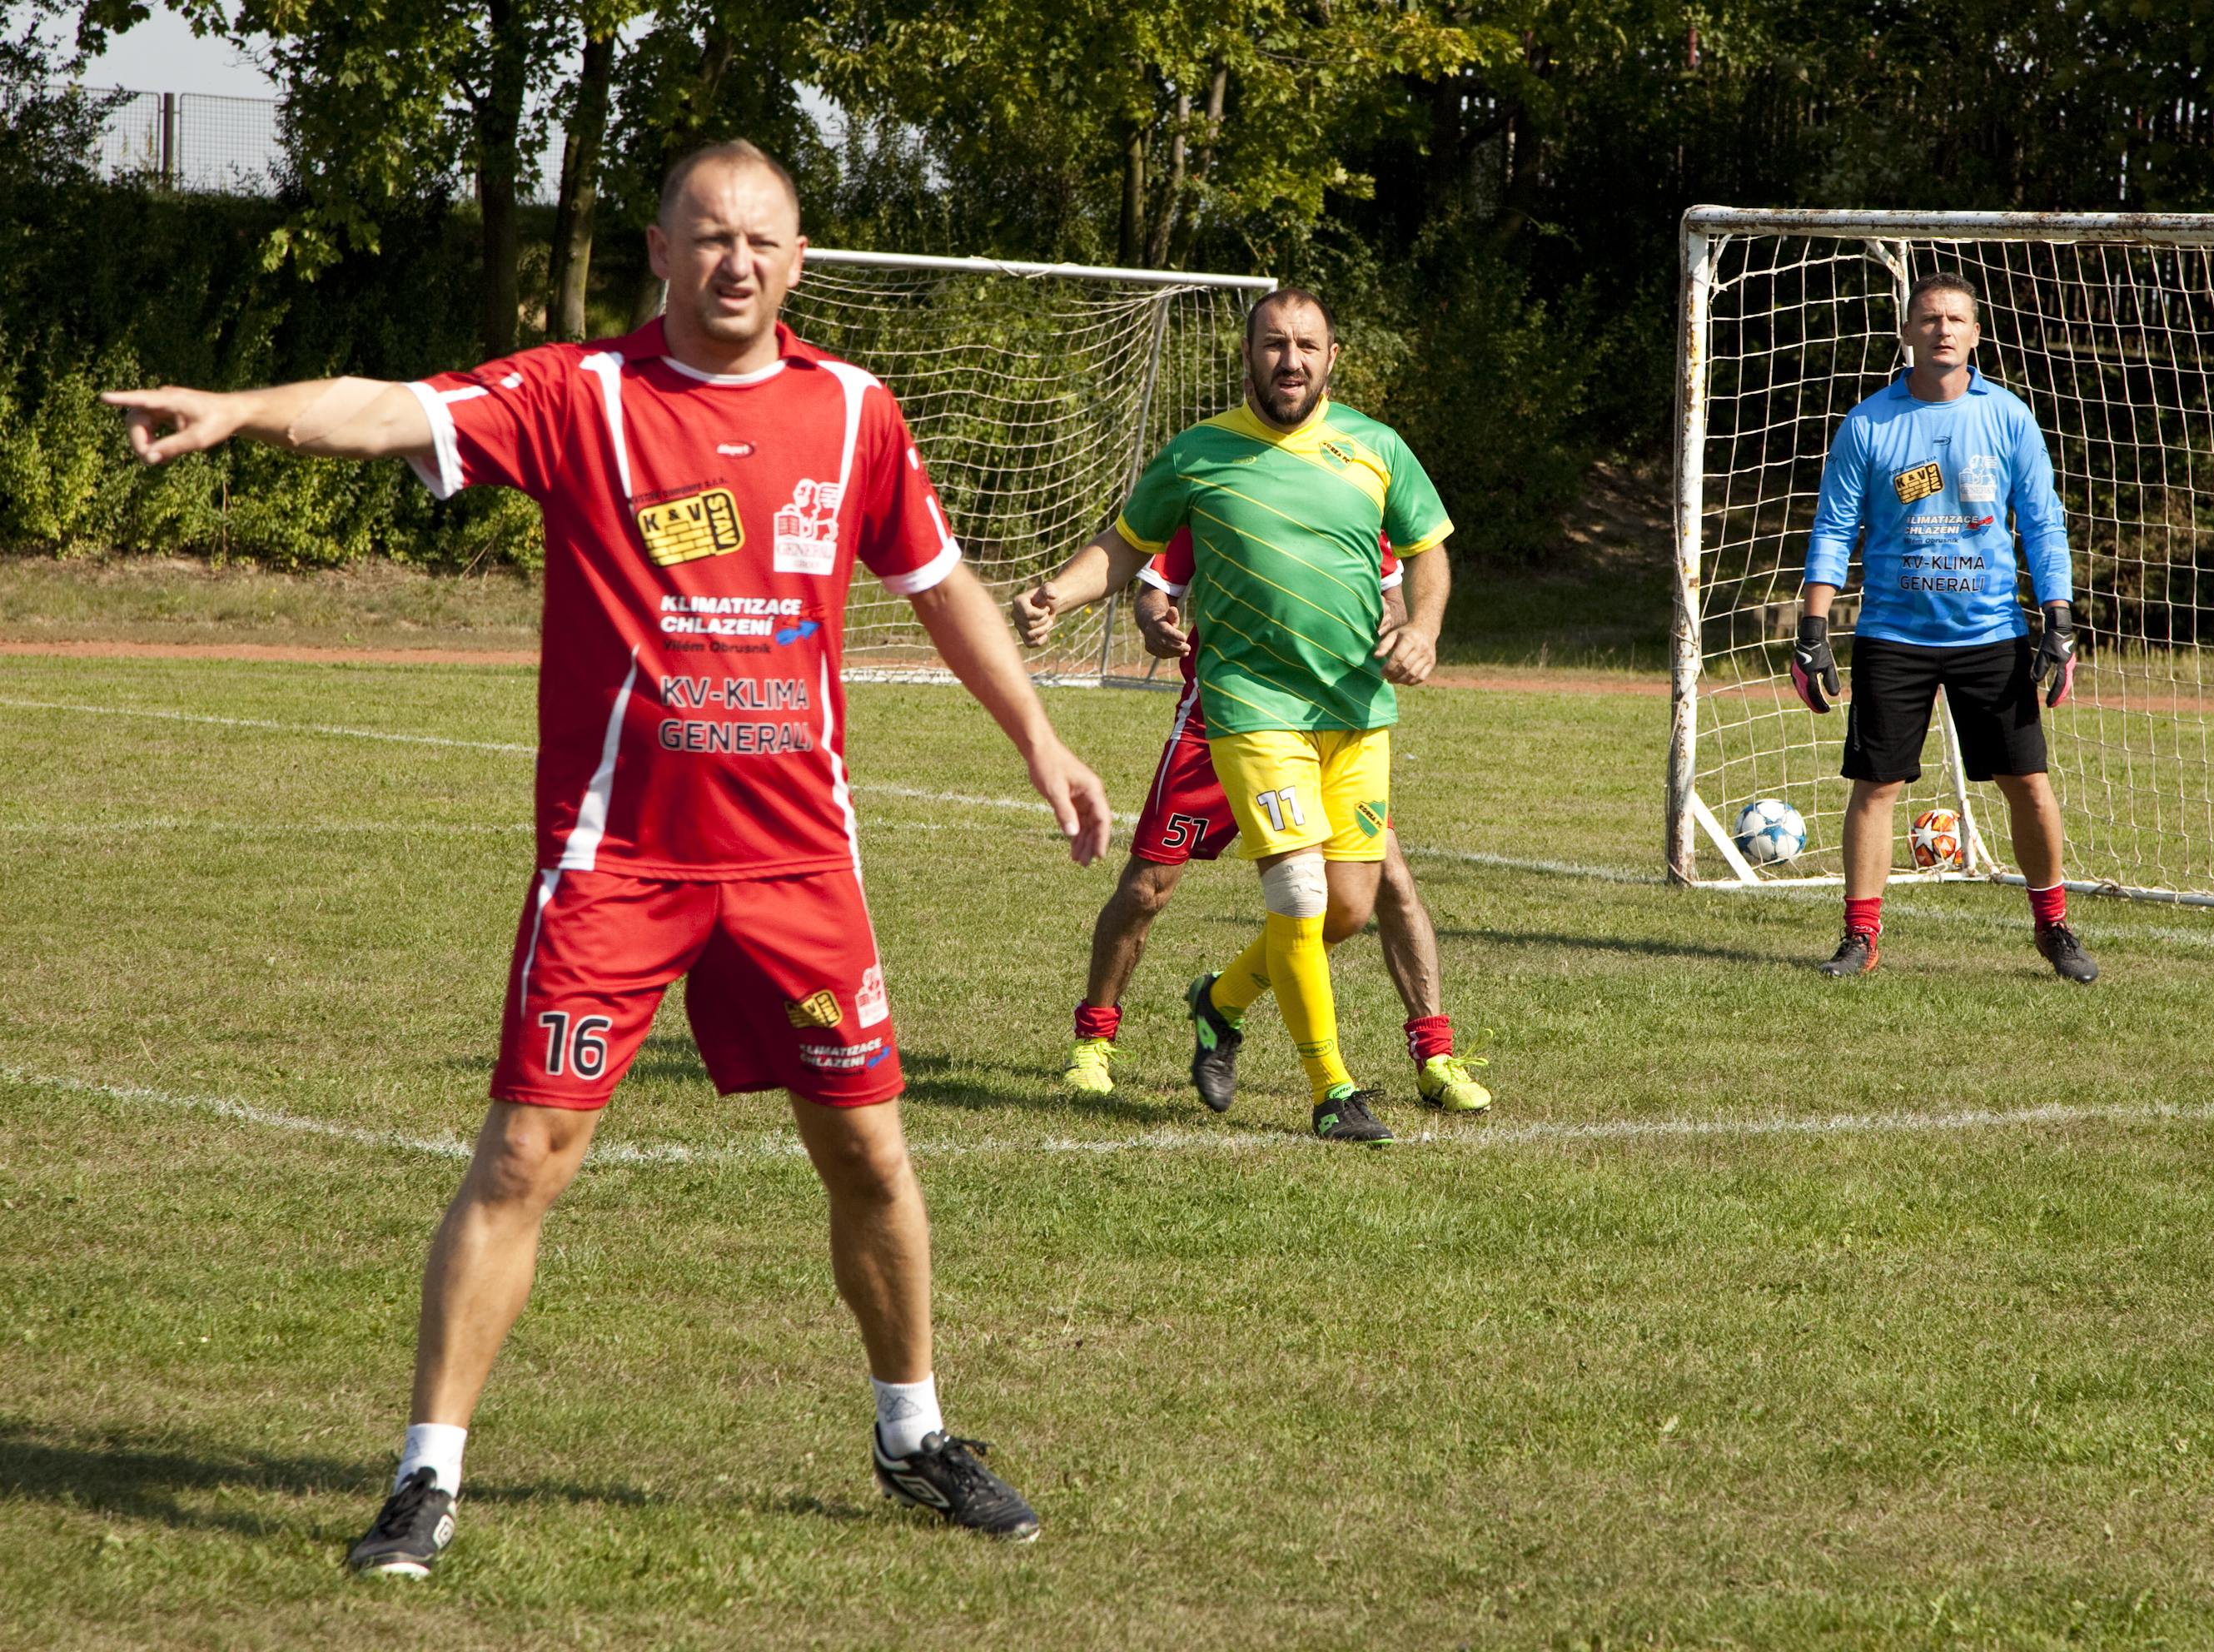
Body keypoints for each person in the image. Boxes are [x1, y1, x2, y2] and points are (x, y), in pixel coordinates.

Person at [103, 139, 1112, 1568]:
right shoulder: (583, 398)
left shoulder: (854, 412)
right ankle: (427, 1472)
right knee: (524, 1150)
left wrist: (1040, 742)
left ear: (800, 259)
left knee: (871, 1154)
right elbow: (388, 410)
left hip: (799, 866)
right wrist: (242, 410)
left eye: (763, 240)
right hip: (615, 864)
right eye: (709, 237)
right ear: (659, 249)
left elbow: (938, 584)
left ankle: (915, 1434)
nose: (737, 262)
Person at [1018, 286, 1453, 1145]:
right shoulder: (1200, 453)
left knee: (1349, 909)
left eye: (1305, 346)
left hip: (1355, 711)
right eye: (1272, 344)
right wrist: (1058, 595)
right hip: (1250, 708)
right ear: (1246, 354)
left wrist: (1424, 628)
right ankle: (1332, 1088)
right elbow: (1126, 546)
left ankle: (1219, 1002)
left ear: (1331, 358)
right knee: (1293, 890)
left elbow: (1427, 550)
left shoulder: (1377, 448)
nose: (1288, 360)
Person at [1014, 525, 1490, 1112]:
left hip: (1327, 722)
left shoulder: (1356, 487)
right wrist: (1153, 620)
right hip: (1221, 719)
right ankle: (1093, 1042)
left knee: (1379, 887)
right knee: (1146, 889)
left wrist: (1400, 628)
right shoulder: (1223, 483)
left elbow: (1394, 592)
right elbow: (1156, 584)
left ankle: (1433, 1056)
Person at [1790, 270, 2096, 983]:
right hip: (1893, 635)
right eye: (1929, 318)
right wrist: (1813, 629)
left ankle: (2053, 927)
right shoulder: (1868, 423)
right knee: (1875, 785)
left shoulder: (2009, 417)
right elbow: (1835, 530)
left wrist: (2060, 621)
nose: (1943, 329)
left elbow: (2044, 526)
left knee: (2027, 782)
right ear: (1906, 334)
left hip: (1991, 633)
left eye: (1957, 319)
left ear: (1976, 334)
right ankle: (1860, 937)